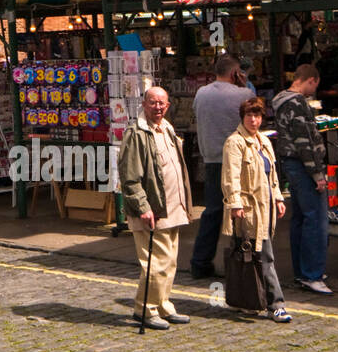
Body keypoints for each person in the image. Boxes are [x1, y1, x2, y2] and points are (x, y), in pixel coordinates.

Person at [117, 86, 192, 330]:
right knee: (155, 264)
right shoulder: (136, 133)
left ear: (168, 105)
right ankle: (145, 309)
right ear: (144, 104)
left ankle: (163, 305)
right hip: (152, 210)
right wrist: (143, 207)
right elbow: (129, 177)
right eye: (153, 103)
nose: (158, 107)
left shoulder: (167, 128)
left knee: (169, 262)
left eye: (162, 103)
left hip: (172, 208)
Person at [222, 97, 290, 322]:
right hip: (250, 210)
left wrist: (279, 198)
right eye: (250, 115)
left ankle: (247, 300)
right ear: (242, 117)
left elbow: (273, 175)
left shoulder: (264, 140)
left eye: (258, 116)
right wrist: (235, 203)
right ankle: (276, 304)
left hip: (266, 208)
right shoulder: (235, 142)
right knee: (263, 255)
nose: (254, 120)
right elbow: (230, 176)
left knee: (251, 256)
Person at [272, 63, 332, 294]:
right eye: (314, 85)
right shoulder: (297, 103)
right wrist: (317, 173)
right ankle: (312, 274)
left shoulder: (281, 100)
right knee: (315, 219)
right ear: (311, 80)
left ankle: (303, 270)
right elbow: (304, 141)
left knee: (300, 218)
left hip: (291, 164)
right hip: (303, 166)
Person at [189, 55, 250, 278]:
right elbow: (252, 114)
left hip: (212, 159)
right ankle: (242, 259)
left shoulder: (201, 93)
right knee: (243, 211)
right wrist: (245, 86)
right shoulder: (244, 94)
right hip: (238, 160)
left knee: (213, 211)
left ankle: (200, 261)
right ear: (235, 73)